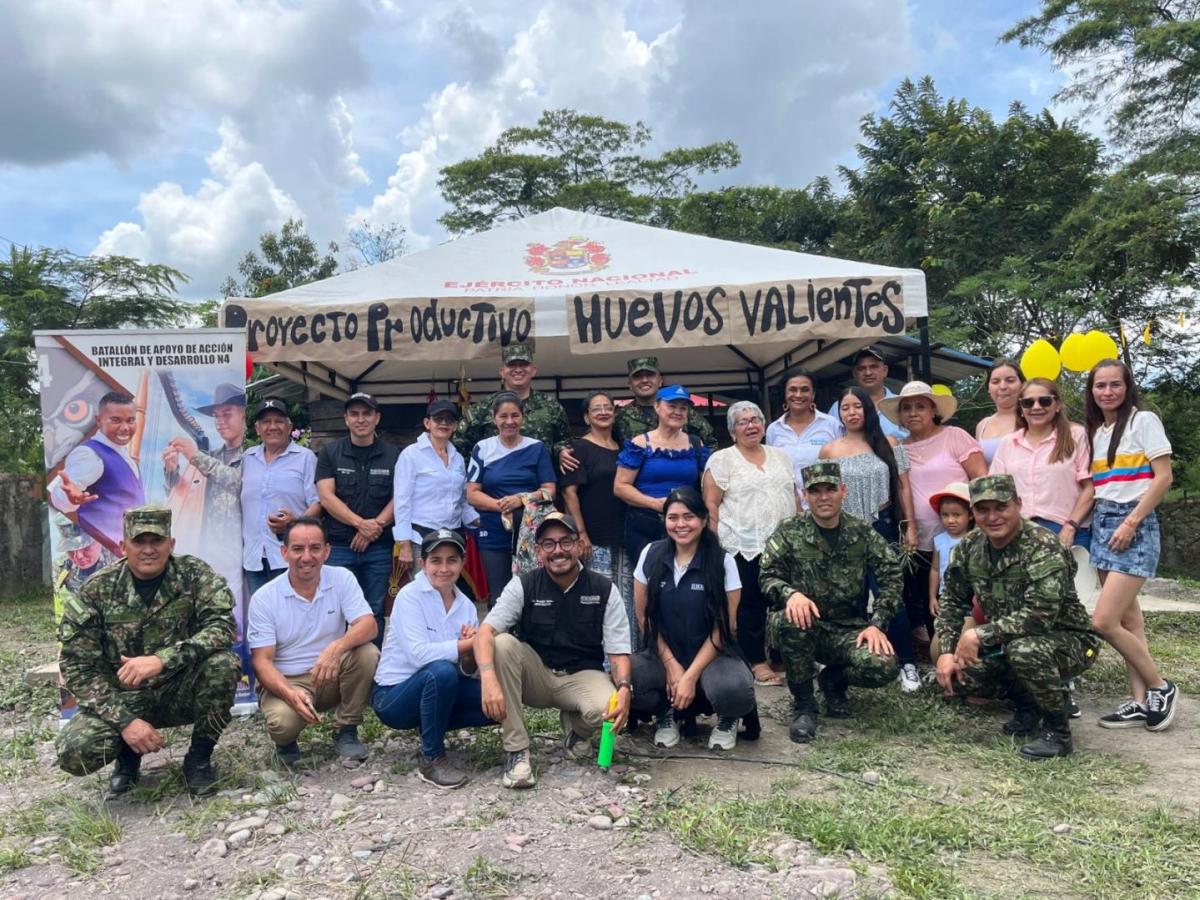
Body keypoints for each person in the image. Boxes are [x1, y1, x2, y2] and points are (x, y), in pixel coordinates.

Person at [56, 506, 240, 797]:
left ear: (172, 544)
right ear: (122, 546)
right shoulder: (97, 590)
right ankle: (127, 759)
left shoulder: (195, 574)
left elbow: (223, 627)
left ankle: (199, 759)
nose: (148, 550)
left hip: (179, 690)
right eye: (139, 542)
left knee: (223, 666)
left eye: (157, 541)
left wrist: (162, 660)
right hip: (123, 696)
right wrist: (125, 721)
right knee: (75, 751)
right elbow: (77, 666)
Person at [935, 475, 1101, 759]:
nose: (992, 517)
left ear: (1018, 505)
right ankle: (1028, 704)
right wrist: (947, 651)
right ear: (973, 513)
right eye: (983, 509)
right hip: (1009, 639)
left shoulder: (1043, 545)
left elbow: (1040, 616)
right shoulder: (970, 546)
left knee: (1025, 651)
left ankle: (1057, 733)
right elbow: (951, 600)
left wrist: (978, 634)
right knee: (965, 676)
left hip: (1069, 640)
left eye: (1001, 507)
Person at [474, 512, 632, 789]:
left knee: (604, 707)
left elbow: (618, 652)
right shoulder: (523, 584)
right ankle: (517, 752)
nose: (558, 550)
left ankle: (577, 734)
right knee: (502, 643)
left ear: (579, 544)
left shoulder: (604, 588)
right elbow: (485, 632)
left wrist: (625, 688)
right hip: (535, 676)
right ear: (538, 551)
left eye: (566, 542)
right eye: (549, 544)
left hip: (581, 676)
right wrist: (488, 677)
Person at [759, 462, 902, 743]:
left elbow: (892, 578)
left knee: (883, 665)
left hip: (847, 629)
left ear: (843, 491)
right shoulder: (789, 531)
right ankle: (804, 705)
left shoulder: (861, 532)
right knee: (791, 619)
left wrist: (877, 624)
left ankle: (834, 681)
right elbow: (767, 577)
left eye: (830, 489)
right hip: (803, 625)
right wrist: (791, 594)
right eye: (815, 491)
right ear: (804, 496)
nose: (823, 497)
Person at [1085, 359, 1179, 731]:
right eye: (1100, 386)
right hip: (1103, 520)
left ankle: (1161, 687)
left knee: (1104, 621)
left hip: (1132, 521)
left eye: (1115, 385)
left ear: (1128, 387)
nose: (1107, 392)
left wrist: (1131, 521)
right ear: (1091, 391)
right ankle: (1140, 702)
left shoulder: (1144, 421)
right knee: (1129, 620)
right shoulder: (1099, 431)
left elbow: (1164, 477)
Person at [633, 487, 758, 751]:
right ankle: (666, 714)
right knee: (630, 675)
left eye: (688, 516)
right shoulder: (650, 555)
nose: (680, 524)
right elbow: (644, 619)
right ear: (664, 520)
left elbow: (726, 627)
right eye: (673, 517)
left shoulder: (723, 562)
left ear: (703, 520)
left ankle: (728, 718)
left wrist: (689, 676)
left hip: (714, 654)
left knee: (734, 688)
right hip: (664, 651)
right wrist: (670, 664)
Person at [248, 517, 380, 765]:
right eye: (298, 549)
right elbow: (262, 662)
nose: (307, 557)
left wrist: (335, 648)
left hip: (330, 672)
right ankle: (286, 744)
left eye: (315, 548)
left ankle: (346, 728)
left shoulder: (342, 578)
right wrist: (290, 693)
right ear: (284, 552)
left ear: (327, 551)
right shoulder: (265, 598)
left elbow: (368, 625)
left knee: (367, 653)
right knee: (282, 724)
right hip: (287, 679)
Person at [372, 529, 494, 789]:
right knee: (440, 671)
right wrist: (469, 643)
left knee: (497, 699)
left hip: (438, 686)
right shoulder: (409, 596)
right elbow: (419, 656)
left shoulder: (467, 606)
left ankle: (430, 726)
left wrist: (470, 653)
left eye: (452, 560)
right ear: (422, 563)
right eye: (435, 560)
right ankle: (432, 758)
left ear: (463, 563)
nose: (444, 568)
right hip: (393, 695)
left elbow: (464, 670)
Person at [820, 386, 921, 691]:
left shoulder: (888, 443)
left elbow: (903, 487)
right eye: (845, 408)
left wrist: (910, 527)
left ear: (868, 410)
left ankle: (907, 663)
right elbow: (822, 494)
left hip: (883, 527)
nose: (851, 413)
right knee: (849, 599)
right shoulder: (829, 450)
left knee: (891, 596)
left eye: (857, 407)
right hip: (844, 532)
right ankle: (851, 663)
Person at [880, 382, 986, 655]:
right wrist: (908, 527)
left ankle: (969, 650)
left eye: (920, 406)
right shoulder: (900, 447)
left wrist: (983, 525)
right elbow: (900, 487)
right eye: (906, 408)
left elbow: (982, 481)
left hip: (960, 534)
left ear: (933, 409)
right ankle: (936, 653)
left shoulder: (955, 436)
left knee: (966, 592)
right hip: (920, 535)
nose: (913, 413)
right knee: (926, 594)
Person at [702, 401, 797, 686]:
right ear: (732, 431)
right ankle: (756, 660)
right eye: (743, 422)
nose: (751, 425)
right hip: (742, 544)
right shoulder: (721, 460)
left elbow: (794, 496)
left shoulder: (781, 456)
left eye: (756, 419)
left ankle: (784, 655)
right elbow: (711, 508)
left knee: (784, 601)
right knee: (750, 605)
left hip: (783, 545)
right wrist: (713, 548)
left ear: (764, 425)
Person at [315, 392, 399, 646]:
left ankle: (373, 671)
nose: (361, 419)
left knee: (374, 611)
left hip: (379, 548)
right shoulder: (330, 453)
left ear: (377, 418)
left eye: (367, 414)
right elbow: (326, 497)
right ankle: (337, 669)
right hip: (339, 547)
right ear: (346, 419)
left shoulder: (394, 454)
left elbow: (401, 498)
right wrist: (360, 524)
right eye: (355, 414)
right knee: (336, 612)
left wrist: (374, 527)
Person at [465, 392, 557, 604]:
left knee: (532, 589)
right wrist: (503, 506)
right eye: (503, 416)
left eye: (515, 416)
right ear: (494, 418)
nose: (509, 422)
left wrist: (521, 499)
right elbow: (472, 494)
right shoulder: (482, 448)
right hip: (494, 530)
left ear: (522, 418)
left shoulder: (537, 448)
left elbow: (550, 490)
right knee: (499, 594)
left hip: (531, 530)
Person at [614, 385, 712, 571]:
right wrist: (654, 503)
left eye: (683, 408)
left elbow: (706, 488)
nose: (678, 412)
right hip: (647, 526)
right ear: (657, 407)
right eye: (672, 406)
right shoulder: (640, 444)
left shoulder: (695, 444)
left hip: (687, 528)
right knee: (651, 582)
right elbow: (620, 486)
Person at [990, 378, 1093, 550]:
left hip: (1067, 531)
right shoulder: (1008, 443)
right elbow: (996, 491)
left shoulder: (1076, 436)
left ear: (1057, 405)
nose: (1036, 407)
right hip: (1019, 532)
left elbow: (1090, 488)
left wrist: (1071, 526)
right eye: (1028, 403)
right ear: (1021, 409)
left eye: (1044, 401)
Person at [560, 390, 633, 626]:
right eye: (596, 409)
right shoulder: (578, 448)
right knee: (600, 598)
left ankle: (628, 656)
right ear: (586, 417)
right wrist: (581, 534)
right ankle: (601, 659)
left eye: (608, 407)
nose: (603, 412)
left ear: (615, 412)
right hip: (594, 537)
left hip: (625, 534)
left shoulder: (625, 448)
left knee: (627, 597)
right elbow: (569, 492)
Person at [241, 398, 321, 596]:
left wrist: (295, 522)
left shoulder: (305, 458)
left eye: (279, 421)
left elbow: (318, 503)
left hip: (291, 555)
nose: (272, 427)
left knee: (294, 616)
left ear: (289, 426)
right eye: (266, 422)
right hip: (254, 556)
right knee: (262, 617)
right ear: (257, 429)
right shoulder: (247, 459)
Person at [48, 391, 144, 551]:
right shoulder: (89, 454)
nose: (125, 427)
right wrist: (70, 499)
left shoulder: (121, 451)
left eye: (130, 420)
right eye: (115, 420)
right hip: (110, 553)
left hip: (130, 551)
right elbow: (60, 495)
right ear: (98, 421)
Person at [393, 399, 478, 574]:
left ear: (455, 426)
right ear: (427, 423)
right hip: (421, 539)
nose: (444, 423)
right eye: (439, 418)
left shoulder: (458, 458)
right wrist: (404, 544)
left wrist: (482, 521)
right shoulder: (411, 455)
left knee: (447, 590)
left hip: (453, 538)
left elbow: (461, 500)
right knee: (423, 593)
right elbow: (402, 501)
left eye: (449, 420)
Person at [454, 343, 571, 459]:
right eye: (512, 365)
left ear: (534, 370)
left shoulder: (552, 407)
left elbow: (566, 441)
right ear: (502, 371)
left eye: (524, 364)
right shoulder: (481, 409)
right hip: (495, 476)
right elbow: (459, 448)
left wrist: (560, 450)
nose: (518, 369)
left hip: (541, 476)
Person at [609, 356, 717, 451]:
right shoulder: (620, 417)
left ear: (660, 380)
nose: (645, 380)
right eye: (638, 376)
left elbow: (710, 442)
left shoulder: (683, 412)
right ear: (630, 384)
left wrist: (696, 467)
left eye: (650, 375)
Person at [765, 366, 841, 500]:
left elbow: (841, 468)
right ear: (785, 394)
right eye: (793, 390)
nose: (798, 395)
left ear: (813, 394)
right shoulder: (773, 429)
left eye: (805, 390)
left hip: (823, 505)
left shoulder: (831, 424)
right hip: (786, 505)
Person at [827, 346, 907, 440]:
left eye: (874, 367)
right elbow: (831, 443)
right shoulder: (838, 408)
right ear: (854, 374)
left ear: (885, 370)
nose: (868, 373)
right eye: (862, 368)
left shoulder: (901, 403)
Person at [928, 482, 973, 616]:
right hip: (945, 595)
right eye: (945, 515)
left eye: (956, 515)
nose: (950, 520)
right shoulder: (939, 540)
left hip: (970, 596)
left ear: (970, 515)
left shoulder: (975, 540)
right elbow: (935, 569)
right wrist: (932, 597)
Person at [52, 513, 117, 599]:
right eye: (70, 549)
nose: (78, 556)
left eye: (86, 547)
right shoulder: (61, 566)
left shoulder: (120, 563)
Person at [974, 360, 1025, 466]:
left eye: (1010, 380)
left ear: (1022, 384)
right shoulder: (983, 425)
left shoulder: (1031, 419)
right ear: (988, 388)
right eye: (995, 382)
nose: (1002, 386)